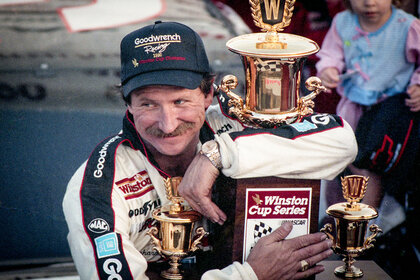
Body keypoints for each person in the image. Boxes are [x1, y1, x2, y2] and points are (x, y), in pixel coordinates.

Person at [63, 21, 357, 279]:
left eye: (180, 102)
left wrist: (216, 155)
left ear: (208, 94)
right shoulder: (98, 187)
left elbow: (342, 141)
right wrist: (250, 276)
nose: (167, 125)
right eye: (148, 104)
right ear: (128, 103)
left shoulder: (235, 122)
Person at [316, 0, 420, 214]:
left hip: (387, 113)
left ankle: (362, 228)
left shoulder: (407, 26)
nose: (369, 2)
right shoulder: (343, 21)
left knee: (369, 167)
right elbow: (330, 54)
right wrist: (328, 69)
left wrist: (418, 85)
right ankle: (334, 221)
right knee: (339, 163)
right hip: (351, 108)